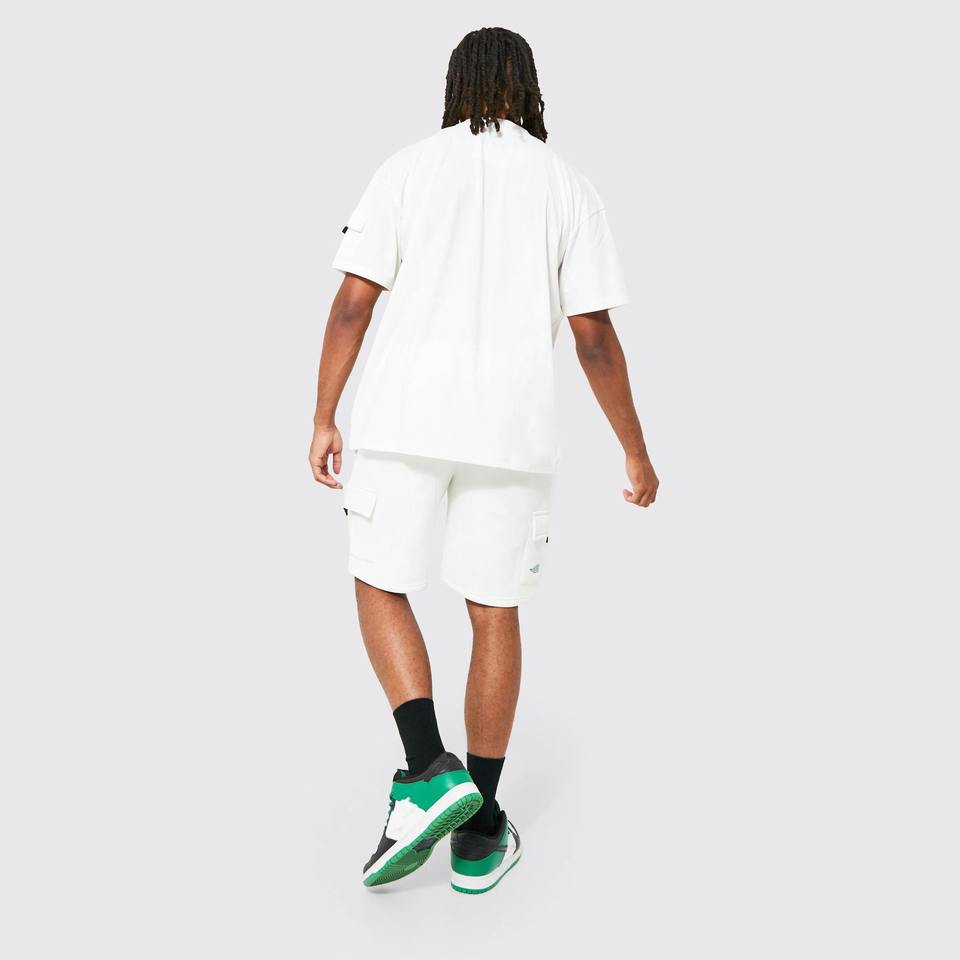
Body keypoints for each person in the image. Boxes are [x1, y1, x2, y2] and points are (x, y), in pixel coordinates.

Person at [309, 27, 658, 894]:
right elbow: (594, 336)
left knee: (379, 581)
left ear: (457, 83)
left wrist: (323, 415)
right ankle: (481, 828)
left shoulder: (407, 168)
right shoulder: (567, 185)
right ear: (528, 87)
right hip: (513, 433)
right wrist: (635, 449)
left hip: (400, 421)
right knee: (494, 610)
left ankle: (428, 767)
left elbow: (352, 303)